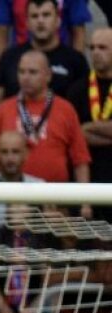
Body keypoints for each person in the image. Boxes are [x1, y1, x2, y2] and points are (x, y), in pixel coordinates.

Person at [0, 49, 92, 186]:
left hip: (55, 197)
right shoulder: (3, 109)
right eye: (21, 72)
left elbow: (80, 160)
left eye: (32, 72)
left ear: (48, 76)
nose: (26, 77)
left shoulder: (66, 109)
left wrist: (85, 204)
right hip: (12, 196)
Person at [0, 0, 89, 142]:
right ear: (26, 23)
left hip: (61, 139)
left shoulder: (76, 62)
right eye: (34, 16)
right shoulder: (9, 58)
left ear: (58, 20)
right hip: (15, 141)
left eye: (46, 15)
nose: (40, 21)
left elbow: (83, 113)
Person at [67, 27, 112, 221]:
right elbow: (74, 135)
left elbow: (82, 132)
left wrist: (87, 128)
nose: (95, 53)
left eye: (102, 48)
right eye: (92, 48)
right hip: (86, 180)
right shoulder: (77, 88)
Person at [0, 131, 44, 241]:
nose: (10, 158)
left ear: (26, 153)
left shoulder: (40, 186)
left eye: (15, 152)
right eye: (4, 152)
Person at [0, 0, 90, 66]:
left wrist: (77, 65)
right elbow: (0, 33)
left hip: (61, 61)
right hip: (21, 62)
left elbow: (79, 32)